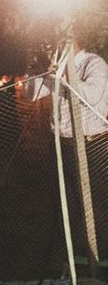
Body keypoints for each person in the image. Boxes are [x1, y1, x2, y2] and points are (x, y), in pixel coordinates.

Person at [24, 21, 108, 259]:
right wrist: (35, 68)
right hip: (62, 146)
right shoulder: (55, 69)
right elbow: (32, 93)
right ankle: (73, 257)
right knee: (67, 203)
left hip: (92, 145)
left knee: (97, 204)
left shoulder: (94, 63)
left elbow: (92, 96)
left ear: (69, 44)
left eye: (56, 45)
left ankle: (99, 256)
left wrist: (59, 77)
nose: (52, 49)